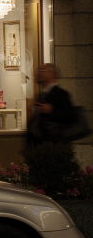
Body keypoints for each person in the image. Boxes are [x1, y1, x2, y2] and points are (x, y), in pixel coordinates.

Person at [25, 63, 79, 195]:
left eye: (43, 70)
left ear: (52, 74)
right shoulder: (41, 95)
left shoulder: (61, 94)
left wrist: (51, 110)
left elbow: (70, 116)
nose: (38, 73)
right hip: (38, 147)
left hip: (52, 146)